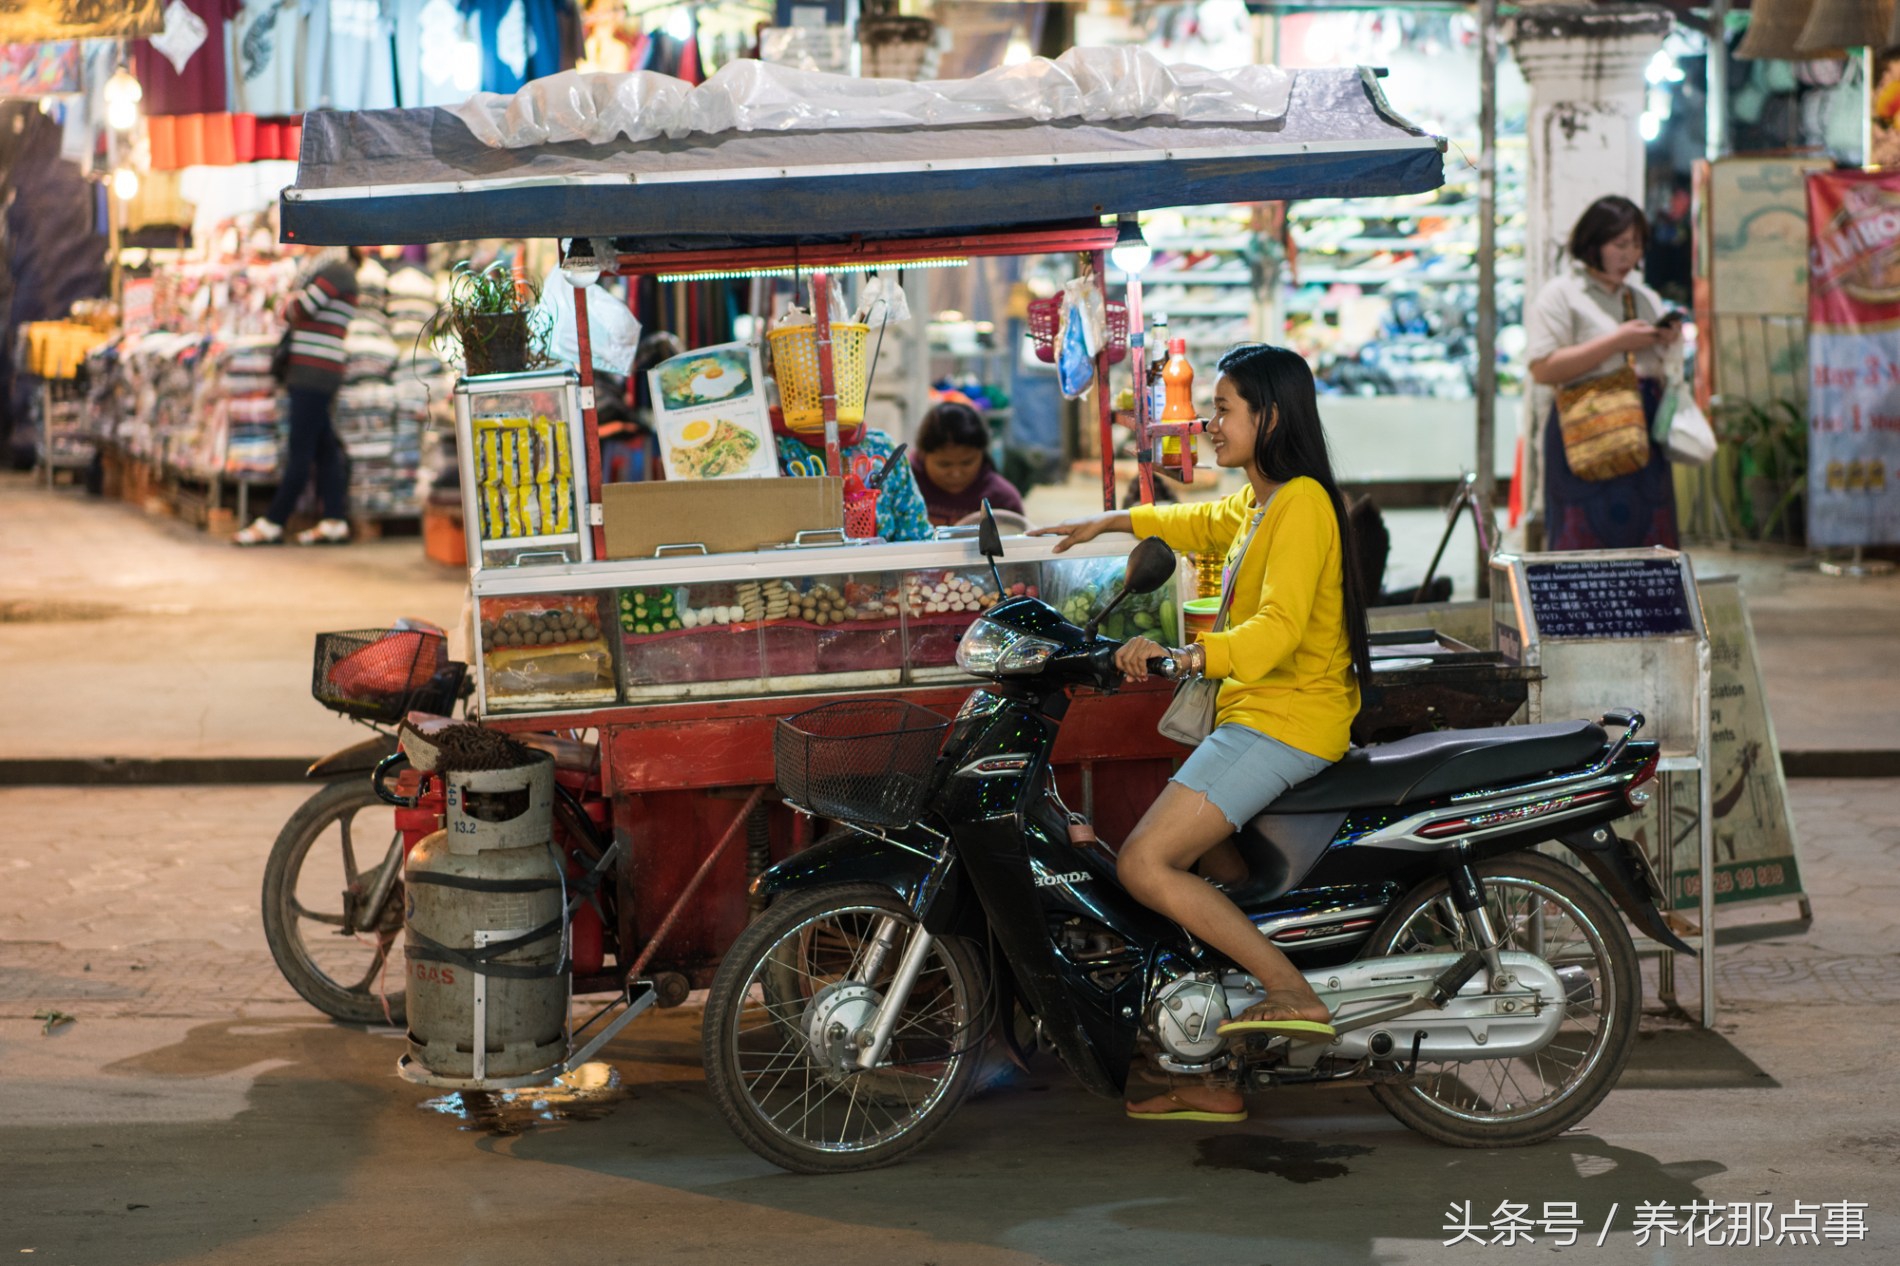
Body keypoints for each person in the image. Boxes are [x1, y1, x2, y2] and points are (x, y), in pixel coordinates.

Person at [1031, 344, 1370, 1123]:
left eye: (1224, 410)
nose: (1211, 424)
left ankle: (1291, 991)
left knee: (1148, 864)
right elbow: (1208, 524)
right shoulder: (1265, 500)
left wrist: (1188, 657)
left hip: (1285, 720)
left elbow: (1278, 630)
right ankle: (1219, 1064)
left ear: (1271, 416)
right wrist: (1113, 520)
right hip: (1257, 713)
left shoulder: (1304, 504)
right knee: (1208, 884)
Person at [1526, 194, 1682, 552]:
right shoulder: (1561, 295)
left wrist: (1665, 341)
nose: (1630, 255)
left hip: (1643, 435)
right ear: (1592, 243)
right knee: (1580, 541)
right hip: (1583, 428)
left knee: (1650, 542)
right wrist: (1617, 341)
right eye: (1620, 244)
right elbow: (1543, 368)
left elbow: (1656, 368)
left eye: (1638, 244)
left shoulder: (1644, 298)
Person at [235, 246, 364, 545]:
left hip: (314, 371)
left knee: (301, 450)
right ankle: (335, 519)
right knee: (323, 446)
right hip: (311, 369)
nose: (305, 241)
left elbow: (295, 310)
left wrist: (289, 301)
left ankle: (274, 521)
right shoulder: (324, 271)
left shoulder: (336, 271)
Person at [909, 401, 1025, 527]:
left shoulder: (1003, 500)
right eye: (944, 464)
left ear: (982, 453)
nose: (956, 473)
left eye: (967, 463)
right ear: (922, 454)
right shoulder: (905, 488)